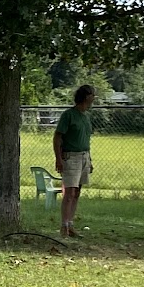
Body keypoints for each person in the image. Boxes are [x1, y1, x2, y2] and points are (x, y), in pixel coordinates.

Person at [53, 84, 96, 236]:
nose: (94, 98)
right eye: (92, 95)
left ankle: (71, 224)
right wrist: (58, 159)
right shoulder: (69, 115)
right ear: (85, 96)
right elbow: (58, 137)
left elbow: (86, 140)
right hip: (71, 157)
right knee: (69, 192)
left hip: (84, 156)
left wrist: (89, 160)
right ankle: (63, 225)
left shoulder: (85, 117)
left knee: (77, 192)